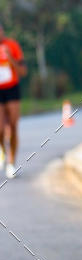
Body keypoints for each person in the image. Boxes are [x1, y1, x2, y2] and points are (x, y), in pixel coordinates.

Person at [0, 24, 26, 179]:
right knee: (0, 129)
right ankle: (2, 151)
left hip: (12, 89)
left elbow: (23, 71)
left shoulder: (12, 46)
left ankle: (11, 163)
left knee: (13, 126)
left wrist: (10, 59)